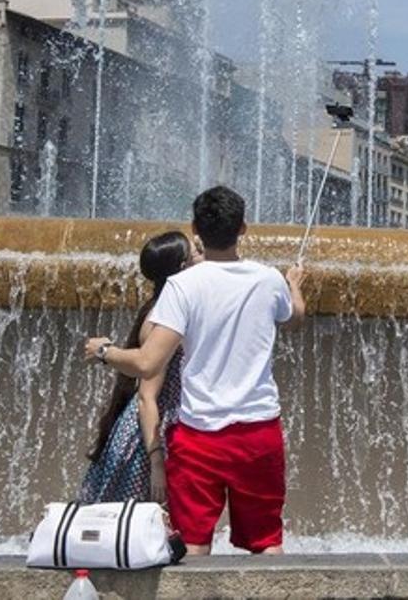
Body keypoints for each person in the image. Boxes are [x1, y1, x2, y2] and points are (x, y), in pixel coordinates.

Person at [84, 185, 306, 555]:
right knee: (267, 542)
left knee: (193, 545)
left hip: (199, 436)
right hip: (259, 432)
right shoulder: (269, 280)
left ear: (195, 231)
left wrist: (104, 351)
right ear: (244, 229)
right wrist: (295, 286)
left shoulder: (181, 286)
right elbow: (294, 317)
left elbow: (147, 362)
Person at [79, 231, 202, 504]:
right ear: (183, 268)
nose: (201, 256)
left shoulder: (167, 307)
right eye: (196, 253)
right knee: (135, 530)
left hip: (160, 431)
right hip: (148, 440)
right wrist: (156, 461)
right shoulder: (163, 319)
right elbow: (147, 397)